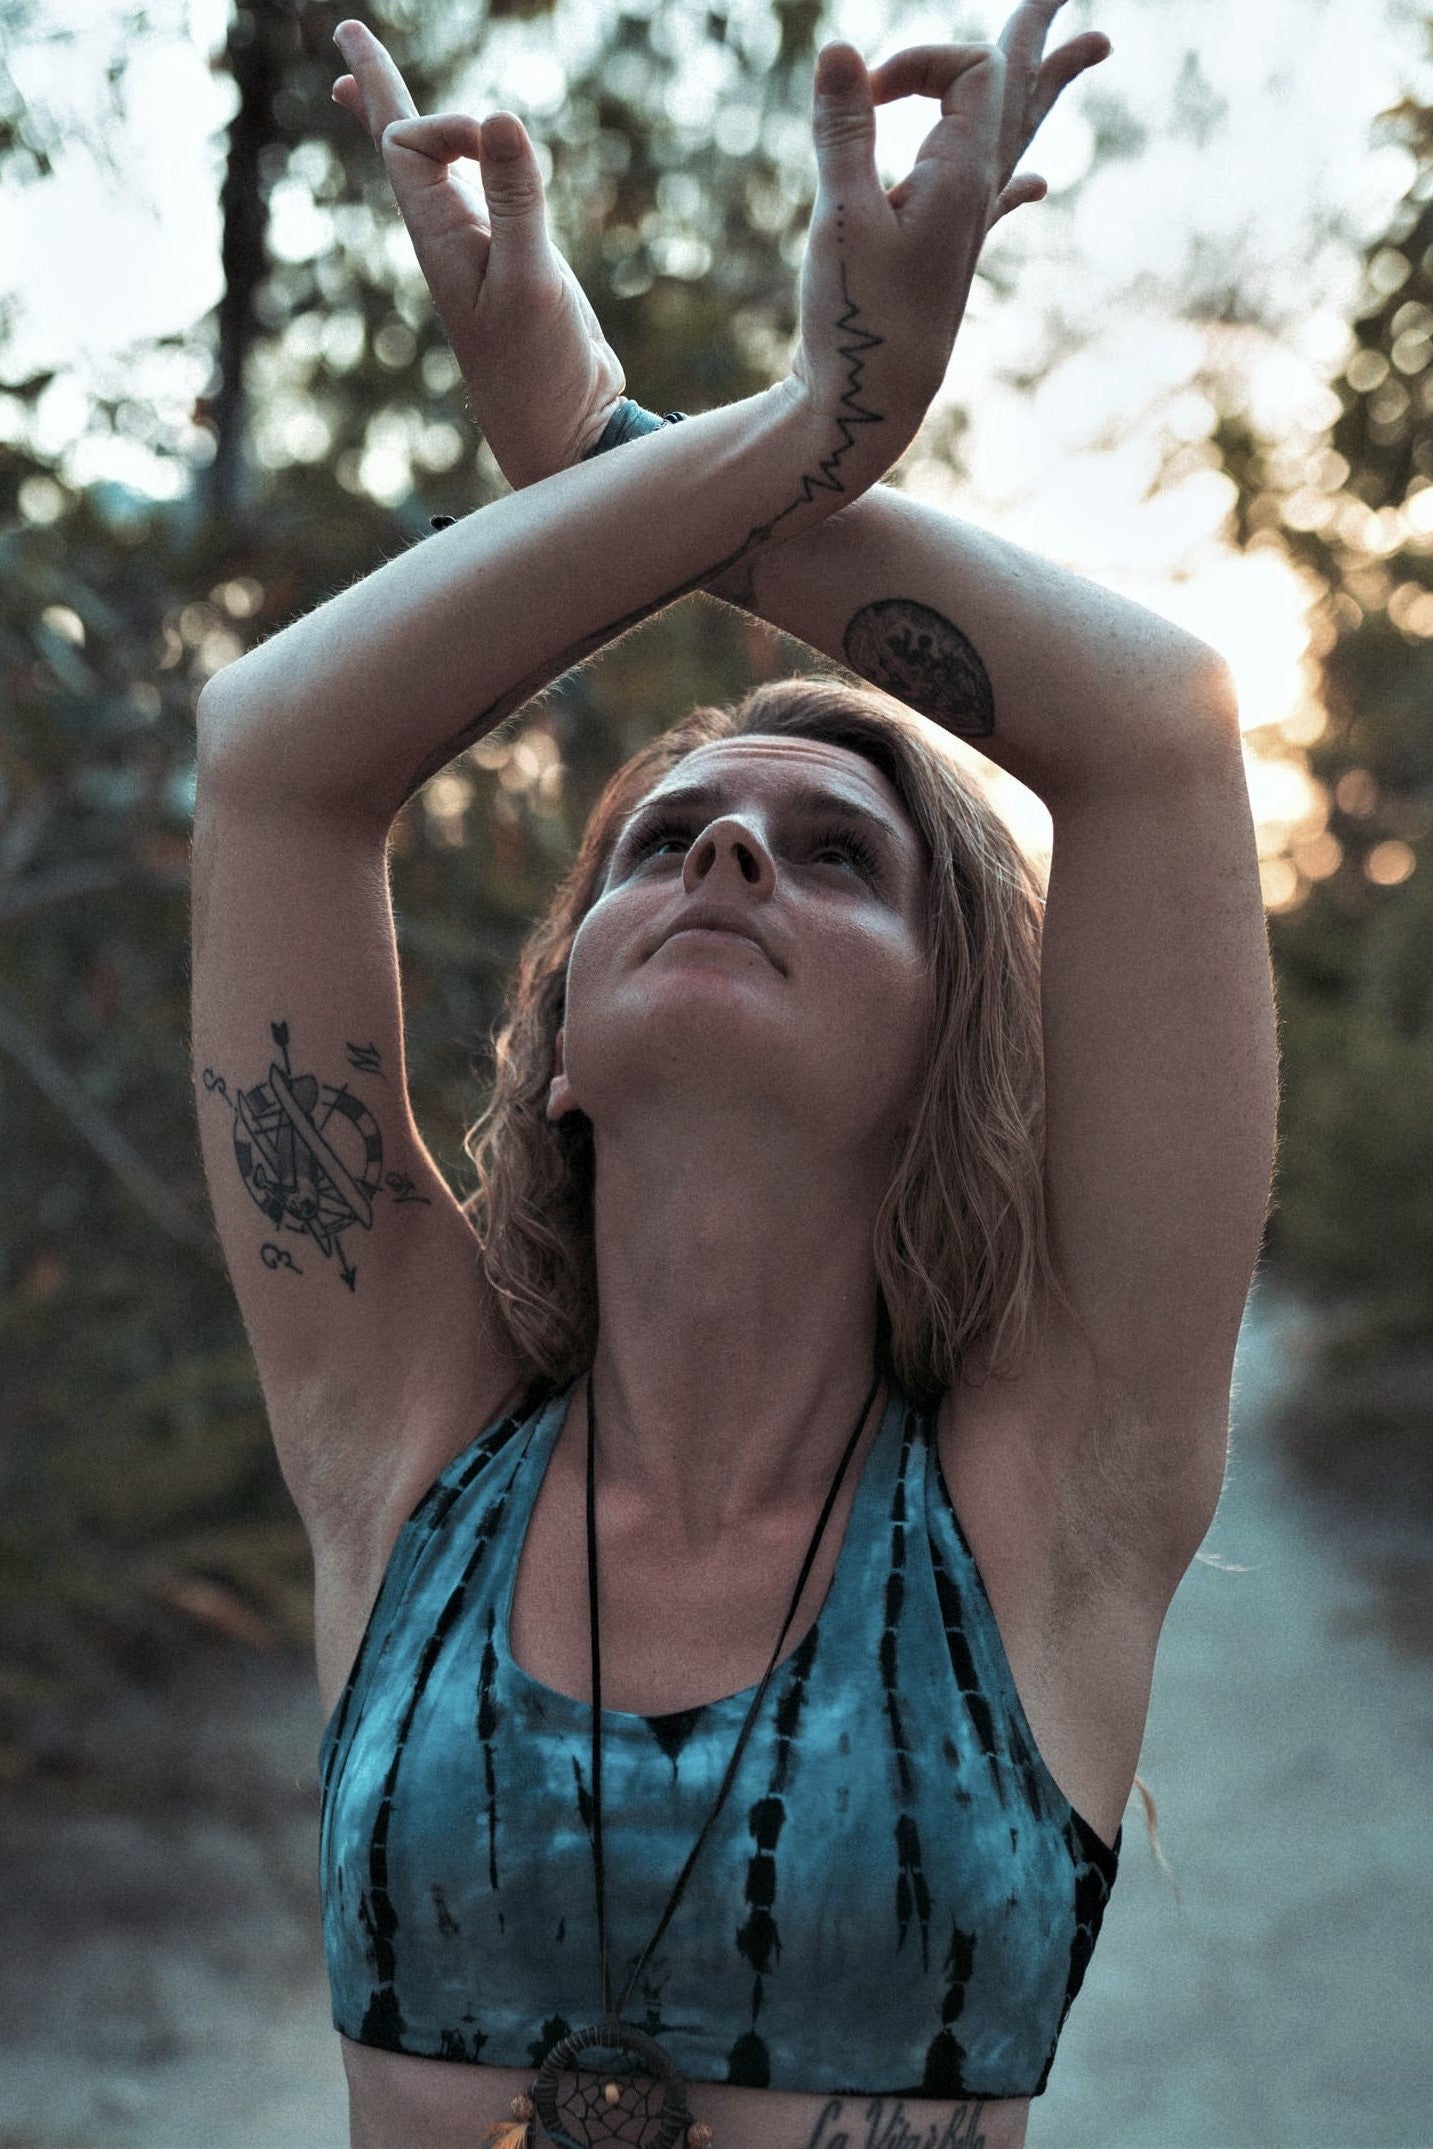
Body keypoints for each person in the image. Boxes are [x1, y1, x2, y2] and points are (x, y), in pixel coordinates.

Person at [190, 5, 1280, 2145]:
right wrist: (788, 427)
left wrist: (606, 430)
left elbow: (1155, 731)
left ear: (950, 1037)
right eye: (664, 844)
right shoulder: (405, 1439)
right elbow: (272, 766)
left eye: (839, 852)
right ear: (568, 1037)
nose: (736, 846)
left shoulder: (1047, 1505)